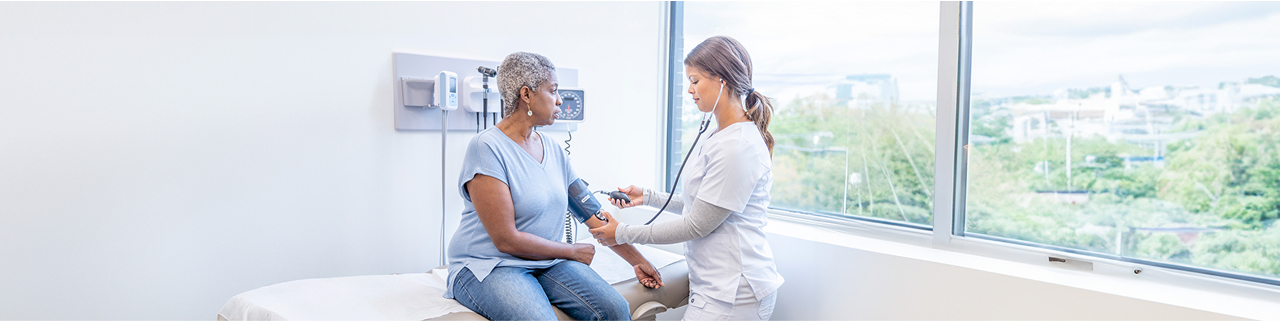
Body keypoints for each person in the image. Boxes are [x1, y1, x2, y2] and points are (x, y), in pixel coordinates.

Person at [445, 51, 662, 321]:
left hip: (545, 262)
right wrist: (571, 251)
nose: (560, 100)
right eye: (553, 90)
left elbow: (593, 215)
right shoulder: (486, 147)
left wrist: (638, 261)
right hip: (488, 265)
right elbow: (505, 239)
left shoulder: (554, 150)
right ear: (526, 95)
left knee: (614, 309)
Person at [589, 36, 784, 320]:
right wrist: (648, 197)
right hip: (715, 286)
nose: (690, 90)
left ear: (722, 80)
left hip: (735, 293)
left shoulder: (737, 147)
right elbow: (703, 204)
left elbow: (698, 225)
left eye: (695, 80)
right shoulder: (719, 135)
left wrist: (622, 233)